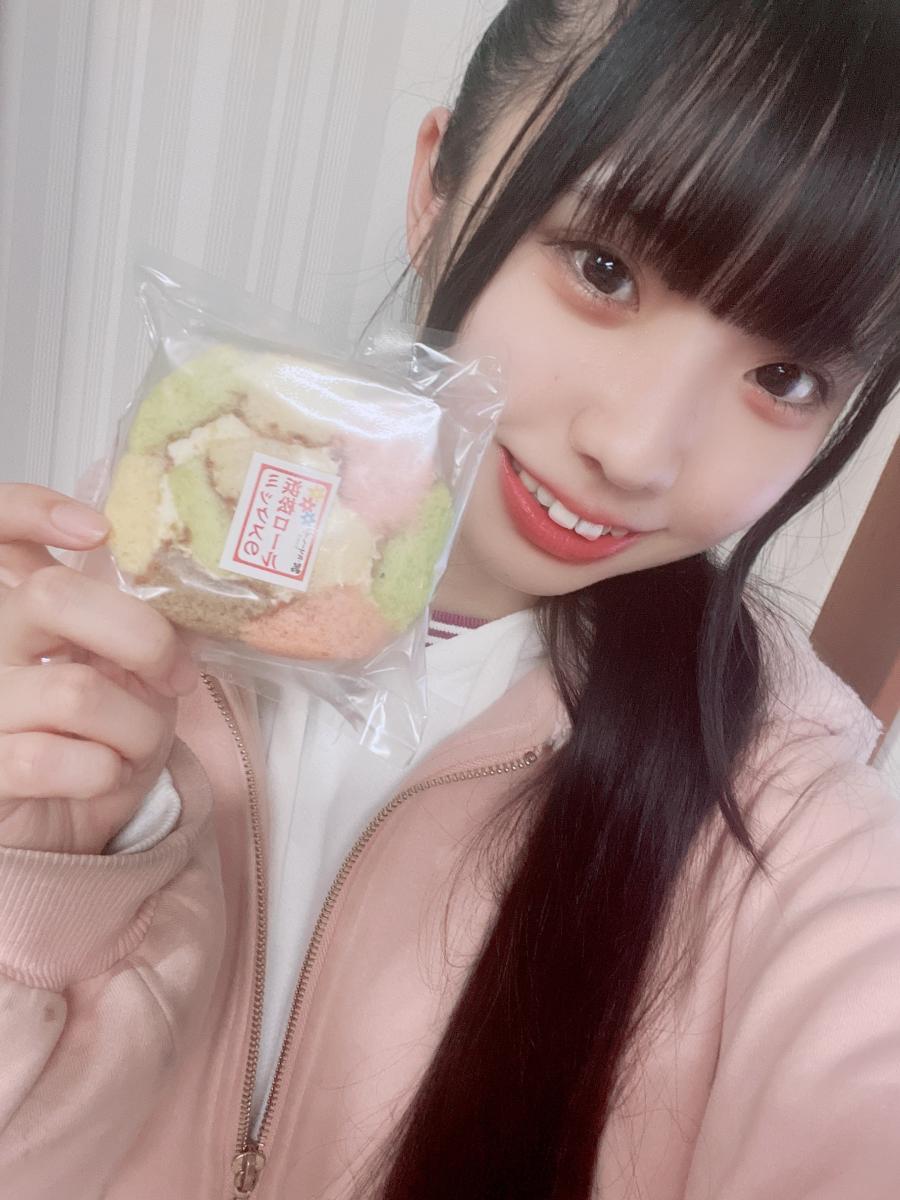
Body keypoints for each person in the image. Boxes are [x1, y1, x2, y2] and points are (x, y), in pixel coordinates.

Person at [0, 1, 898, 1197]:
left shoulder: (784, 812)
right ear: (439, 188)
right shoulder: (104, 610)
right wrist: (41, 891)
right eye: (603, 269)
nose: (638, 451)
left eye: (784, 376)